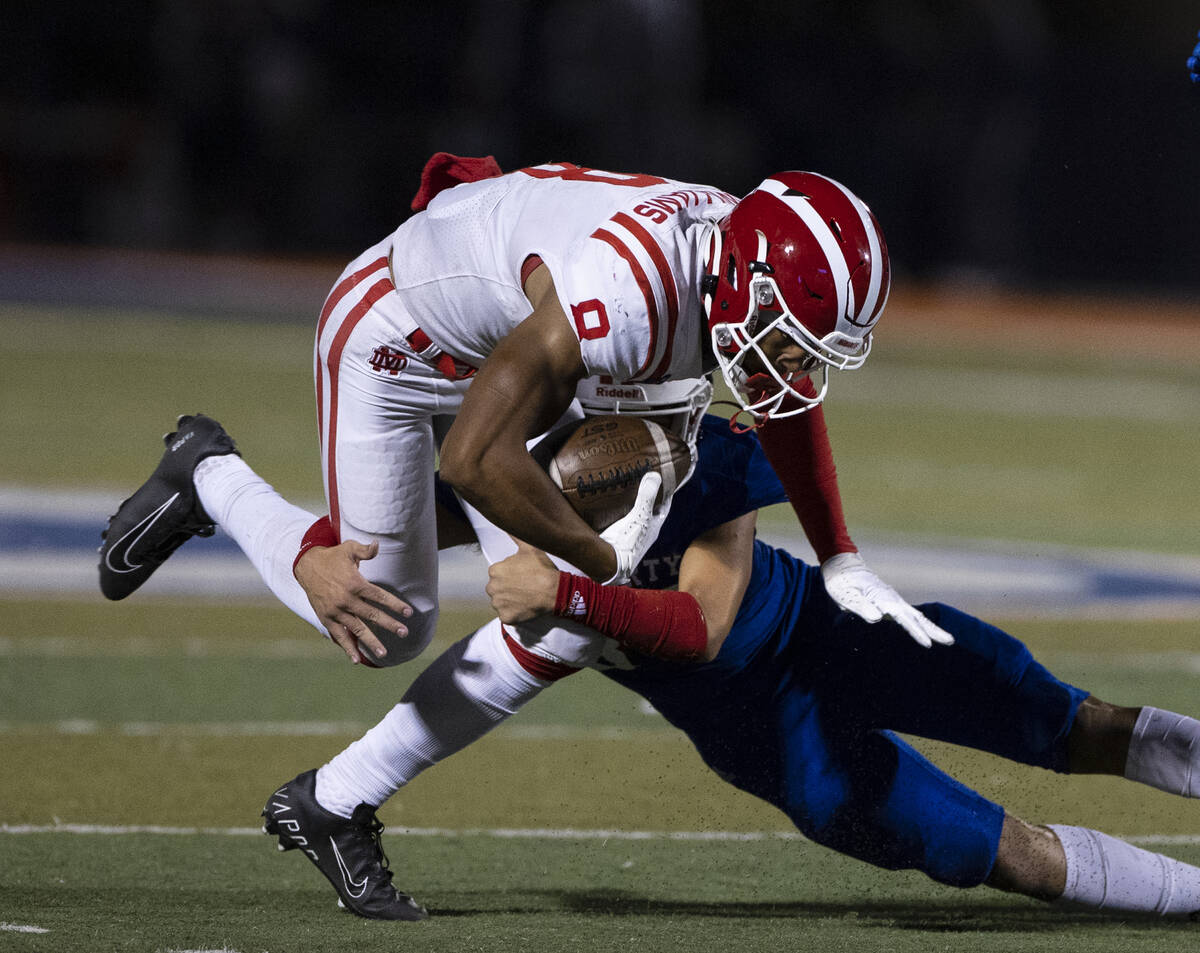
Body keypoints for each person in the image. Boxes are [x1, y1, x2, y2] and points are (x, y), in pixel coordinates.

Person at [256, 394, 1200, 922]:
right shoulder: (501, 486)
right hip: (764, 735)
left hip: (828, 632)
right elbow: (362, 543)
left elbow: (704, 617)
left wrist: (570, 594)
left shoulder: (688, 442)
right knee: (997, 848)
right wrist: (280, 531)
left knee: (1060, 717)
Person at [99, 152, 951, 669]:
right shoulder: (626, 297)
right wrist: (593, 556)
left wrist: (839, 555)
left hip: (513, 328)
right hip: (403, 338)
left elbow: (785, 399)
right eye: (791, 334)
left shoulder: (728, 259)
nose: (796, 362)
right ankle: (208, 473)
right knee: (387, 622)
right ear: (742, 279)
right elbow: (471, 458)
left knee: (581, 582)